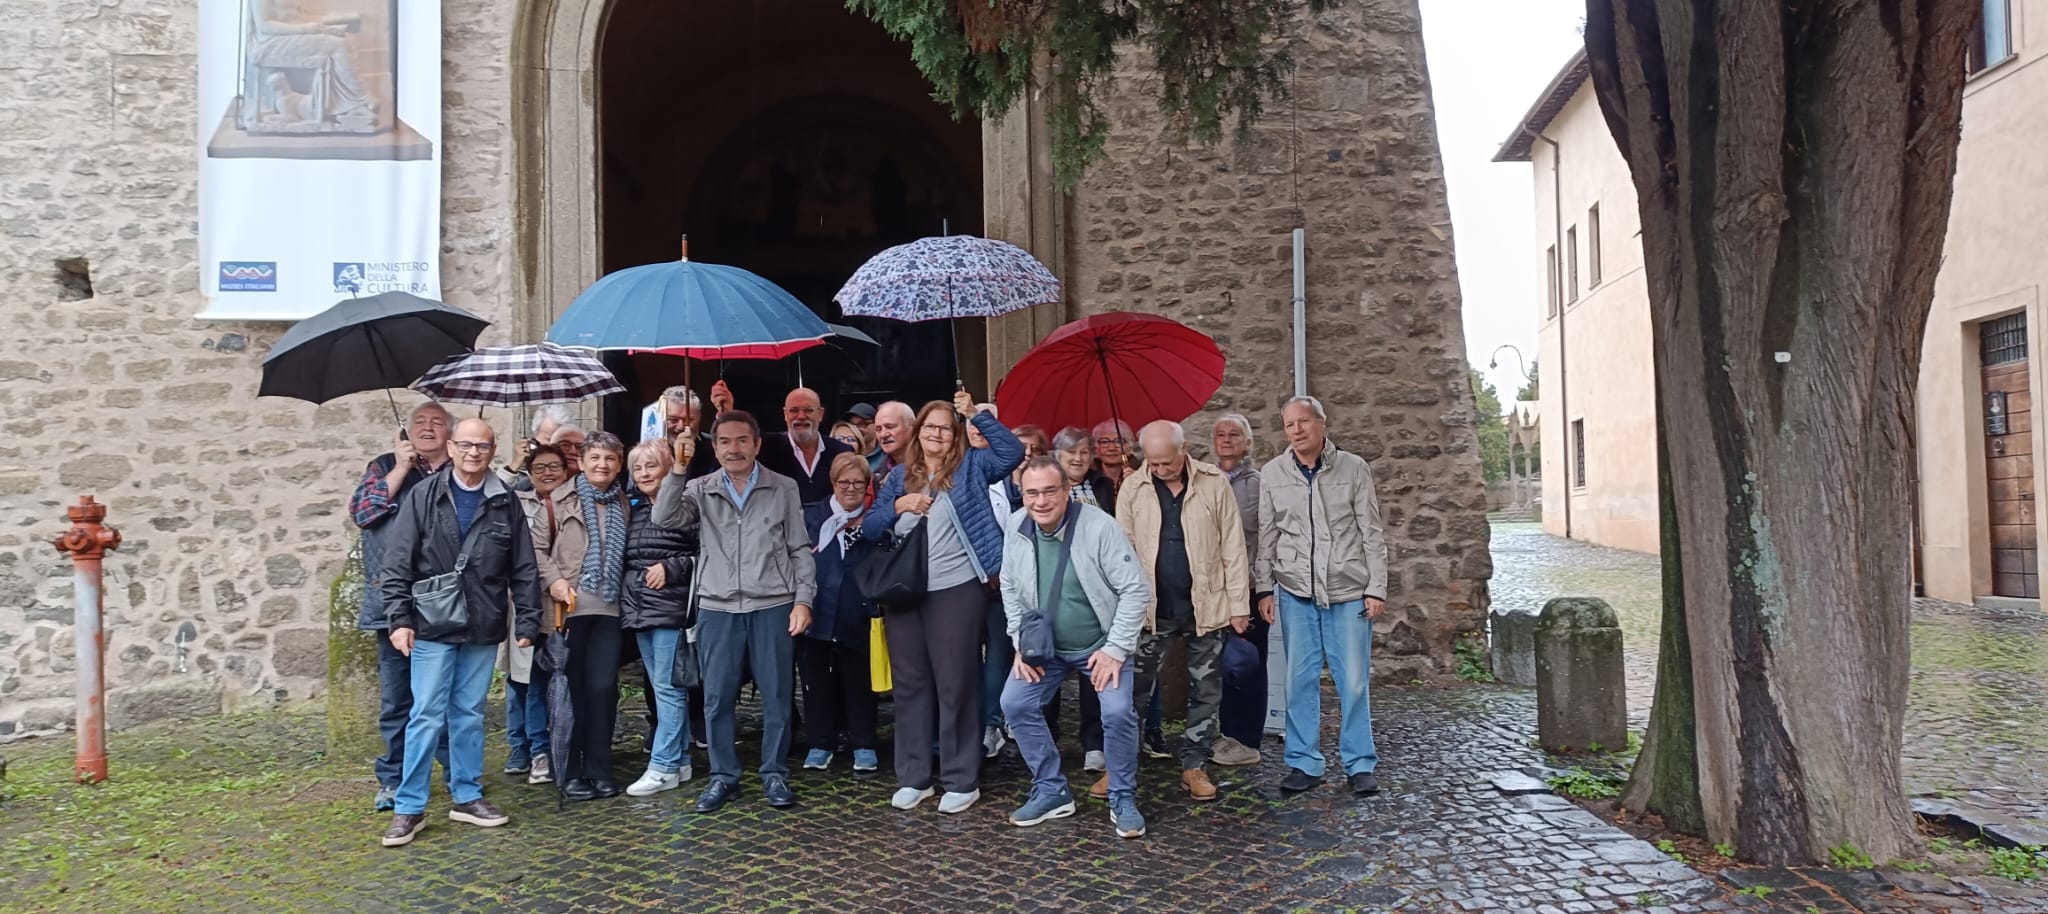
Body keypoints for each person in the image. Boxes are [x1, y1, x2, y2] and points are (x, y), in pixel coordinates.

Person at [375, 418, 542, 847]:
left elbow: (523, 567)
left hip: (483, 623)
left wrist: (527, 620)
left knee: (468, 714)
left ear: (492, 451)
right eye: (465, 445)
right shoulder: (423, 495)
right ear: (450, 448)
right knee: (426, 714)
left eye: (482, 446)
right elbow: (397, 561)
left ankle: (466, 795)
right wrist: (399, 619)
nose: (473, 453)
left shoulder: (505, 501)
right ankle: (409, 807)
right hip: (431, 622)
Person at [862, 392, 1024, 814]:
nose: (937, 434)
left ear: (956, 437)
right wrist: (899, 505)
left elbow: (1013, 452)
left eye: (946, 428)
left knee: (955, 682)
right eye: (930, 426)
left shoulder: (971, 467)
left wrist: (974, 416)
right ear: (919, 432)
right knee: (911, 683)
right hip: (905, 590)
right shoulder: (898, 477)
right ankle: (915, 777)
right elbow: (871, 527)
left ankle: (960, 777)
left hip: (957, 588)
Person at [655, 410, 816, 813]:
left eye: (742, 440)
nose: (734, 448)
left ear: (757, 444)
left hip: (773, 604)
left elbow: (799, 548)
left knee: (778, 695)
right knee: (717, 698)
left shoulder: (783, 487)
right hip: (718, 606)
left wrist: (803, 600)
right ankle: (723, 777)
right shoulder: (700, 487)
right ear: (714, 447)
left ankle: (774, 772)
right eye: (724, 441)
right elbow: (664, 518)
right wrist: (677, 467)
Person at [996, 457, 1152, 839]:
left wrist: (1115, 648)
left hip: (1100, 643)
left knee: (1116, 712)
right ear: (1022, 494)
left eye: (1050, 490)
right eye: (1032, 492)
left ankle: (1122, 796)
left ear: (1067, 491)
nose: (1041, 501)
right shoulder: (1016, 525)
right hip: (1044, 647)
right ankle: (1051, 789)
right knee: (1015, 702)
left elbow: (1135, 590)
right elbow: (1009, 587)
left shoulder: (1100, 527)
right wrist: (1020, 642)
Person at [1110, 421, 1249, 803]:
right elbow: (1121, 553)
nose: (1159, 470)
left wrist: (1239, 606)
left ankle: (1194, 766)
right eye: (1153, 464)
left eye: (1166, 463)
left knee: (1206, 691)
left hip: (1205, 605)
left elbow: (1233, 546)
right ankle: (1121, 766)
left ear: (1184, 448)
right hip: (1149, 608)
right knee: (1132, 692)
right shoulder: (1133, 488)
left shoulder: (1213, 482)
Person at [1256, 396, 1386, 797]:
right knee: (1298, 681)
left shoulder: (1354, 468)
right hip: (1295, 592)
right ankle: (1302, 762)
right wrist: (1264, 587)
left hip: (1348, 591)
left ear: (1322, 423)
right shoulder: (1273, 473)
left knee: (1354, 682)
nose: (1296, 430)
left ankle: (1359, 763)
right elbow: (1268, 535)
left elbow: (1372, 532)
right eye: (1289, 424)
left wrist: (1376, 587)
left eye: (1304, 422)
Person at [350, 401, 453, 812]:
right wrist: (400, 467)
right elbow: (363, 513)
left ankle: (456, 774)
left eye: (437, 423)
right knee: (398, 700)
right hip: (392, 604)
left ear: (449, 432)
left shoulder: (457, 470)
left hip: (445, 603)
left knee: (444, 697)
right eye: (420, 423)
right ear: (406, 432)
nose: (428, 428)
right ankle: (393, 779)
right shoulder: (383, 466)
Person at [532, 432, 632, 802]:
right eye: (595, 458)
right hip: (567, 612)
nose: (602, 465)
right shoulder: (557, 502)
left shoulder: (623, 501)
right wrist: (555, 580)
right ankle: (570, 771)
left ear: (618, 465)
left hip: (608, 610)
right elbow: (536, 549)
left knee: (603, 691)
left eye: (610, 458)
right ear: (583, 461)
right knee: (570, 694)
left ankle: (600, 768)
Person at [620, 440, 699, 796]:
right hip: (639, 608)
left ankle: (663, 765)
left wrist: (671, 567)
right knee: (659, 686)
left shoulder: (685, 507)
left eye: (651, 465)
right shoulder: (633, 510)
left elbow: (702, 553)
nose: (644, 473)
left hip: (669, 607)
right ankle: (680, 760)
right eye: (638, 468)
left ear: (669, 466)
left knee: (668, 689)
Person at [798, 453, 881, 773]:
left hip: (858, 612)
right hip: (818, 610)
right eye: (843, 482)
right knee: (816, 682)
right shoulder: (812, 516)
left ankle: (863, 742)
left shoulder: (875, 519)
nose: (850, 489)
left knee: (861, 682)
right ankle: (820, 742)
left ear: (867, 485)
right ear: (833, 483)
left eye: (858, 483)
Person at [1045, 426, 1110, 770]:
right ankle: (1047, 737)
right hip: (1055, 586)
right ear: (1058, 455)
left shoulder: (1102, 485)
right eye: (1072, 453)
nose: (1080, 458)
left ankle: (1094, 743)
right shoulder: (1048, 487)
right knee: (1048, 662)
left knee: (1094, 669)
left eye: (1085, 452)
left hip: (1095, 587)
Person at [980, 422, 1047, 758]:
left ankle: (1028, 722)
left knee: (1035, 655)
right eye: (1022, 449)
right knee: (997, 655)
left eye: (1035, 449)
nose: (1027, 456)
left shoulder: (1046, 492)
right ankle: (992, 723)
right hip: (997, 585)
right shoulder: (994, 485)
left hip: (1040, 589)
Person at [505, 443, 569, 787]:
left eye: (554, 466)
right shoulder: (517, 502)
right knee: (532, 681)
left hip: (569, 603)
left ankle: (567, 745)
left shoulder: (578, 501)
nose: (547, 473)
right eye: (540, 467)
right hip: (530, 604)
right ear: (529, 474)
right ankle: (537, 749)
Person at [1210, 413, 1266, 766]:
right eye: (1220, 434)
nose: (1227, 439)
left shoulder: (1260, 483)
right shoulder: (1204, 480)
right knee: (1217, 663)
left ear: (1247, 443)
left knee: (1248, 663)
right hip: (1211, 588)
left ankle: (1246, 740)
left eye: (1234, 434)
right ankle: (1223, 734)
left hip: (1247, 586)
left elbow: (1266, 534)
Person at [709, 384, 852, 507]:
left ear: (821, 414)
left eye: (808, 410)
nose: (801, 416)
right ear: (785, 414)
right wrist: (726, 414)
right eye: (794, 410)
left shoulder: (841, 452)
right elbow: (732, 459)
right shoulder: (765, 447)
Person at [662, 385, 719, 479]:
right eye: (673, 420)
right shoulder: (648, 449)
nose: (680, 427)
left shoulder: (714, 447)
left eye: (688, 420)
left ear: (699, 418)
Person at [868, 400, 915, 479]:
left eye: (890, 427)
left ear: (912, 426)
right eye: (878, 429)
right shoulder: (876, 476)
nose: (883, 435)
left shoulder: (935, 466)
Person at [1092, 419, 1137, 490]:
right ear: (1096, 449)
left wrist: (1137, 486)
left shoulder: (1142, 476)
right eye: (1104, 442)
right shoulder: (1087, 479)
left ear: (1130, 448)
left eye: (1119, 441)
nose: (1111, 448)